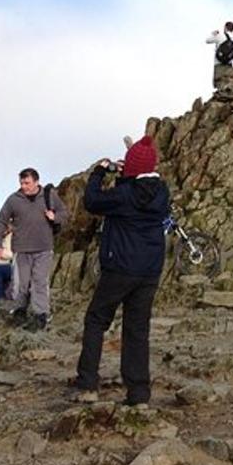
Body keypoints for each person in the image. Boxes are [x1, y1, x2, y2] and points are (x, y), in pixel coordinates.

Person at [73, 135, 171, 406]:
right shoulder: (162, 192)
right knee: (137, 330)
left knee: (96, 320)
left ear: (131, 169)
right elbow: (142, 186)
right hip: (150, 270)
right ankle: (139, 393)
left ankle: (88, 384)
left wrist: (100, 172)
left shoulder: (123, 196)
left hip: (120, 267)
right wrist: (129, 172)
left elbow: (92, 201)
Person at [0, 167, 68, 331]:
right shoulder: (13, 199)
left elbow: (64, 213)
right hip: (21, 249)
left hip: (44, 247)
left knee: (39, 282)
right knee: (21, 284)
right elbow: (1, 221)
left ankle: (41, 315)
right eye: (21, 183)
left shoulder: (49, 196)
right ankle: (20, 310)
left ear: (36, 182)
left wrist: (54, 217)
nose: (24, 186)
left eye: (27, 183)